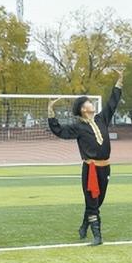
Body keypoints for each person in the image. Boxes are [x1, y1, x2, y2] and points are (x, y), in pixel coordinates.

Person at [47, 70, 124, 246]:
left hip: (105, 167)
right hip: (90, 169)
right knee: (92, 201)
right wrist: (51, 112)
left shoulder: (101, 119)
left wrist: (119, 82)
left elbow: (113, 103)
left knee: (98, 201)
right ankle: (97, 236)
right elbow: (59, 131)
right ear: (83, 108)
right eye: (89, 102)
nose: (91, 103)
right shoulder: (78, 127)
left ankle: (84, 226)